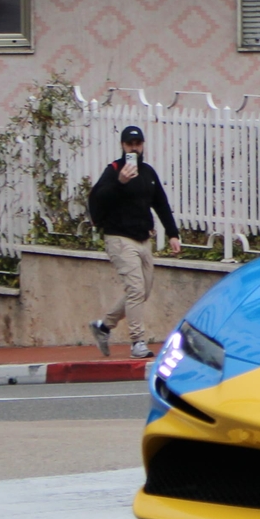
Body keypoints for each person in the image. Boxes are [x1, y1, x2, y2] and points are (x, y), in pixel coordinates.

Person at [88, 125, 180, 359]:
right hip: (119, 238)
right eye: (130, 144)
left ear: (142, 146)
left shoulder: (148, 173)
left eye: (137, 144)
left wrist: (173, 234)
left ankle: (104, 326)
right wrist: (120, 182)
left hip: (142, 239)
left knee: (142, 291)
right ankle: (137, 342)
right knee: (135, 289)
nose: (134, 148)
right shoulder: (114, 170)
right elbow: (98, 198)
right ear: (122, 146)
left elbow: (160, 203)